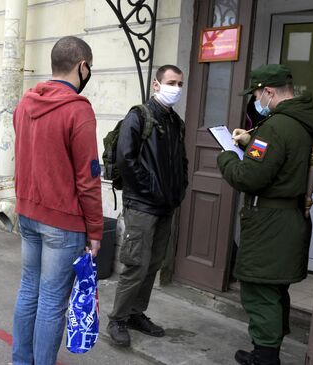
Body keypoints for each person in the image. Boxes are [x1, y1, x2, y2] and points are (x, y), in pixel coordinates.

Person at [217, 64, 313, 365]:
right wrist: (251, 144)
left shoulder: (275, 127)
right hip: (291, 220)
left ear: (268, 91)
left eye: (255, 94)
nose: (255, 100)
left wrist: (226, 155)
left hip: (269, 225)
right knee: (276, 290)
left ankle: (265, 358)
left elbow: (248, 178)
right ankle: (267, 350)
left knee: (259, 291)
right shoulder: (307, 123)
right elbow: (291, 164)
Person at [11, 36, 103, 365]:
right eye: (89, 67)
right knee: (51, 299)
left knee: (29, 290)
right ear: (82, 66)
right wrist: (95, 230)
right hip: (62, 220)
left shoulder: (25, 104)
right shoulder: (78, 110)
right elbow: (88, 178)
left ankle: (21, 361)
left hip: (28, 212)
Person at [107, 65, 189, 347]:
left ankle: (135, 313)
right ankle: (117, 318)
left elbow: (181, 162)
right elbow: (125, 160)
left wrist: (179, 191)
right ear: (156, 85)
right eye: (171, 82)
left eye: (180, 83)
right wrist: (152, 190)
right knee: (135, 265)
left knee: (153, 265)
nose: (176, 88)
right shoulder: (139, 116)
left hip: (166, 206)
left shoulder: (176, 122)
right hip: (142, 205)